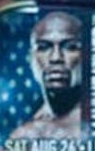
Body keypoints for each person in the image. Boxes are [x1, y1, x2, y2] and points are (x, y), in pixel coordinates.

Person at [8, 11, 84, 140]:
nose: (56, 58)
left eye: (70, 47)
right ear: (30, 58)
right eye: (43, 47)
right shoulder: (25, 133)